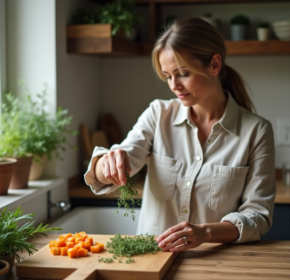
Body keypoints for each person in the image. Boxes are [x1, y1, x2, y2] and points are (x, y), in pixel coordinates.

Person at [84, 17, 276, 252]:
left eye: (183, 73)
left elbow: (258, 216)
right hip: (151, 261)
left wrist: (205, 232)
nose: (174, 85)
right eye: (167, 76)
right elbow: (122, 160)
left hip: (216, 264)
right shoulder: (158, 114)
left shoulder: (257, 131)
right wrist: (107, 165)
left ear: (214, 65)